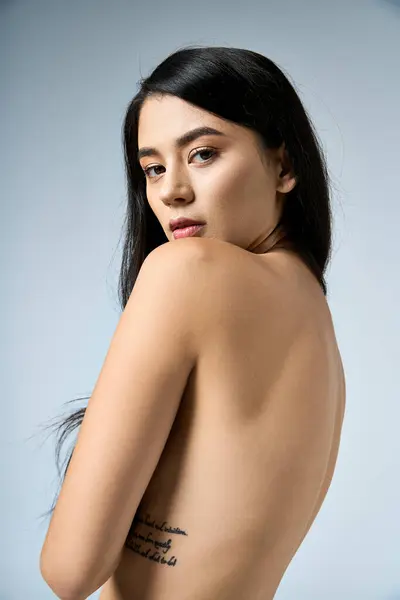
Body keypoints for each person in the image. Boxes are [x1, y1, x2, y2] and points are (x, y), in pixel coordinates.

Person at [39, 45, 346, 600]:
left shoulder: (187, 272)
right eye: (153, 167)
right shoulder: (313, 313)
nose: (171, 190)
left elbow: (69, 570)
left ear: (284, 165)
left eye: (202, 154)